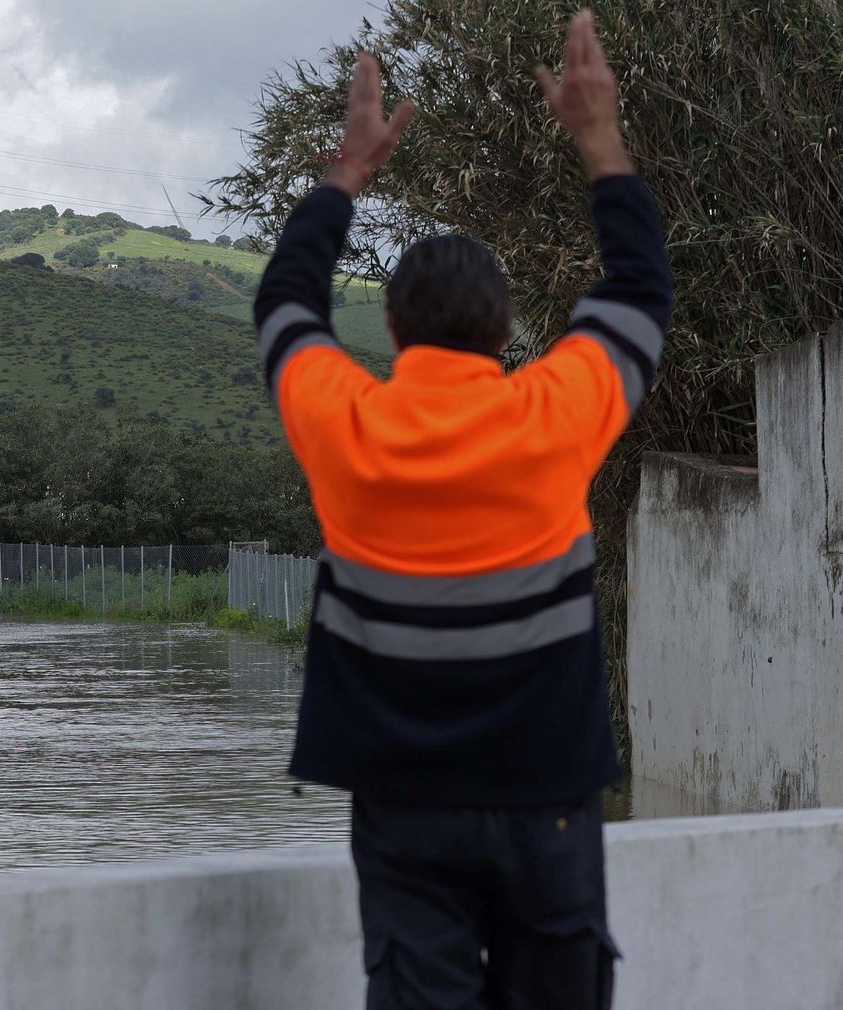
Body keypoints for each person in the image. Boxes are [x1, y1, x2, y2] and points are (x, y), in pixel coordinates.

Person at [254, 11, 671, 1008]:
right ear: (504, 329)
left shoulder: (344, 424)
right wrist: (597, 136)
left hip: (404, 809)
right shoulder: (555, 414)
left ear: (393, 328)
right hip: (549, 804)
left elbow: (283, 305)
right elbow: (640, 289)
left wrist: (344, 175)